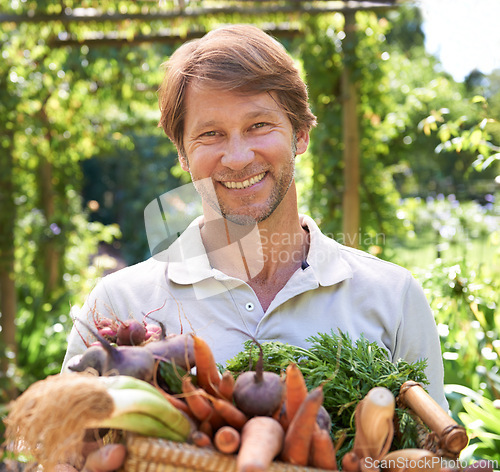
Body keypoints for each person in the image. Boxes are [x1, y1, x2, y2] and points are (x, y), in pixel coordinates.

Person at [62, 24, 447, 471]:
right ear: (183, 154)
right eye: (211, 134)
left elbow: (435, 453)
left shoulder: (392, 296)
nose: (239, 156)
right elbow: (61, 453)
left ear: (300, 135)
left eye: (259, 125)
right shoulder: (120, 305)